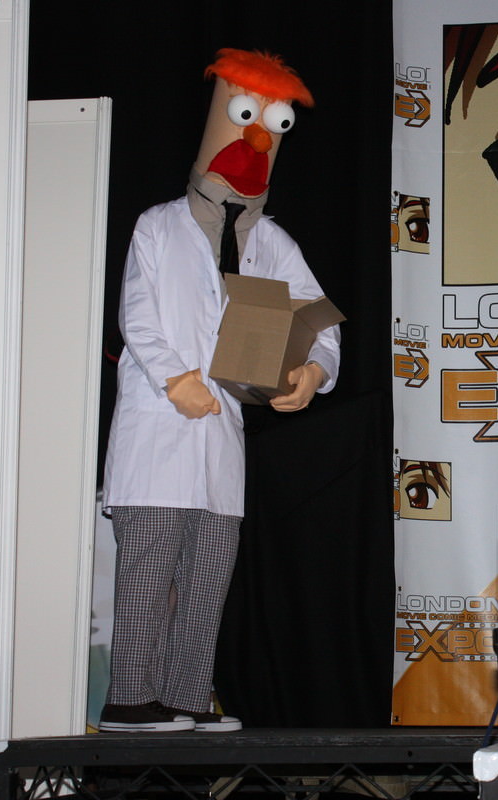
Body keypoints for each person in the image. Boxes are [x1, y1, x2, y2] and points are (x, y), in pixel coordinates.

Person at [99, 49, 340, 733]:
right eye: (247, 119)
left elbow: (319, 320)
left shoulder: (272, 243)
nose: (257, 140)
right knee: (149, 573)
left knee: (208, 577)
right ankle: (129, 699)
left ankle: (186, 696)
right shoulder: (158, 225)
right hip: (158, 429)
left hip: (223, 436)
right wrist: (173, 377)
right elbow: (137, 314)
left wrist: (313, 373)